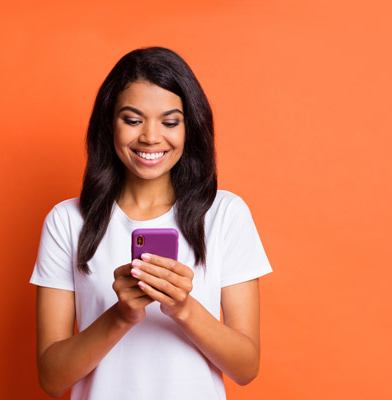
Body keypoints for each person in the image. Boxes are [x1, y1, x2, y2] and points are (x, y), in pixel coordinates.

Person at [30, 46, 273, 399]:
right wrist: (121, 316)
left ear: (190, 127)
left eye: (170, 122)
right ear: (108, 123)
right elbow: (52, 379)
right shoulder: (67, 221)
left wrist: (183, 309)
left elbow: (246, 368)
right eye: (132, 120)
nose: (151, 137)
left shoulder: (225, 214)